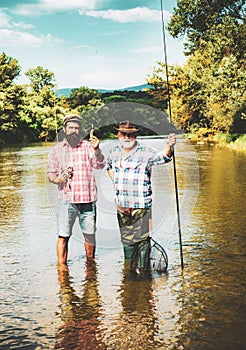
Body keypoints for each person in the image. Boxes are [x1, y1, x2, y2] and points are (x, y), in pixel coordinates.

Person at [106, 120, 176, 267]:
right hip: (122, 205)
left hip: (141, 205)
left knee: (142, 240)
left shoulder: (146, 151)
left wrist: (169, 146)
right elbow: (107, 166)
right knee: (127, 240)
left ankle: (142, 275)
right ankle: (129, 271)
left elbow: (165, 157)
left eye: (130, 134)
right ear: (118, 134)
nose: (126, 137)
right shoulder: (113, 151)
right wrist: (117, 183)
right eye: (123, 134)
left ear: (136, 135)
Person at [47, 114, 105, 265]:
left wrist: (97, 150)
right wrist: (59, 179)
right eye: (71, 127)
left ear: (80, 130)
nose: (74, 130)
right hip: (66, 201)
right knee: (63, 236)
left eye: (76, 128)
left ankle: (90, 267)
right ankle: (62, 269)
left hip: (87, 199)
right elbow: (50, 175)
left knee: (90, 235)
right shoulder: (56, 150)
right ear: (64, 129)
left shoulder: (87, 147)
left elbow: (100, 165)